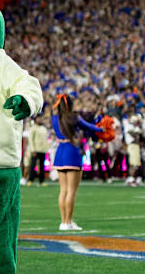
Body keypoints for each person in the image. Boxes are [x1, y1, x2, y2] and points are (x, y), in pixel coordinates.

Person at [51, 94, 103, 231]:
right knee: (71, 192)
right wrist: (104, 128)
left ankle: (64, 222)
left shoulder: (54, 118)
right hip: (71, 153)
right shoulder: (74, 117)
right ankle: (67, 222)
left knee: (63, 190)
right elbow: (92, 128)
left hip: (60, 153)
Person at [27, 116, 49, 186]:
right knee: (33, 165)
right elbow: (30, 140)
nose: (40, 119)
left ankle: (41, 181)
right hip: (35, 150)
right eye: (38, 118)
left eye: (41, 118)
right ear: (35, 120)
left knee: (42, 166)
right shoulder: (33, 128)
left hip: (42, 150)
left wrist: (46, 149)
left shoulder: (44, 128)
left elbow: (46, 140)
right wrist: (32, 149)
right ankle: (30, 180)